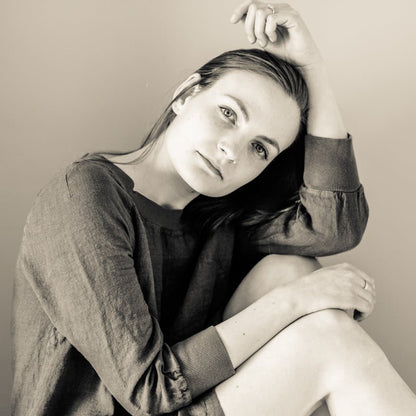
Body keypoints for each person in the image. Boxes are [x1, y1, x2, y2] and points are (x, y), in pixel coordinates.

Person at [11, 1, 416, 415]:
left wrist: (314, 69)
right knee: (325, 332)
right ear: (186, 94)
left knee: (292, 271)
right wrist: (295, 301)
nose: (232, 151)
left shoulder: (218, 214)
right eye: (228, 113)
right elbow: (149, 389)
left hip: (181, 400)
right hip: (145, 400)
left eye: (260, 148)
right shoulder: (85, 195)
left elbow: (333, 227)